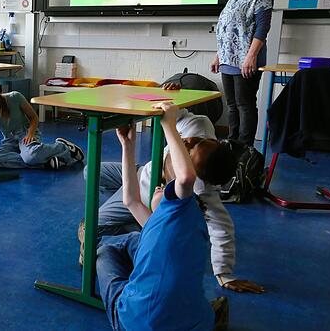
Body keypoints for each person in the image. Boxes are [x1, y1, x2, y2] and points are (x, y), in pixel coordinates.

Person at [79, 83, 265, 294]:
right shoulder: (200, 127)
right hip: (142, 173)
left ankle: (140, 225)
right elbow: (175, 113)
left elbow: (222, 227)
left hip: (142, 195)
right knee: (91, 172)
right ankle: (138, 221)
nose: (187, 141)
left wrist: (223, 273)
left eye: (191, 150)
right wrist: (171, 92)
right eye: (198, 141)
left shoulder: (199, 187)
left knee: (94, 227)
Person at [96, 102, 230, 330]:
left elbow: (186, 178)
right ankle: (211, 313)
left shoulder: (179, 206)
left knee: (104, 251)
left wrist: (168, 124)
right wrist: (128, 145)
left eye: (189, 149)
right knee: (135, 239)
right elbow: (131, 200)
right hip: (198, 322)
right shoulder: (186, 221)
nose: (187, 141)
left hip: (137, 322)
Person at [211, 0, 274, 146]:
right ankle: (232, 143)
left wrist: (251, 56)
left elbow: (262, 27)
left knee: (244, 104)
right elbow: (227, 27)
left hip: (246, 59)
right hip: (228, 58)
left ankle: (244, 148)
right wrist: (219, 55)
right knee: (231, 106)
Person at [0, 84, 85, 170]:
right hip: (9, 140)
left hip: (26, 134)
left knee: (31, 156)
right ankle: (42, 163)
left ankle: (63, 147)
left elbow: (34, 118)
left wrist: (30, 133)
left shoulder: (14, 96)